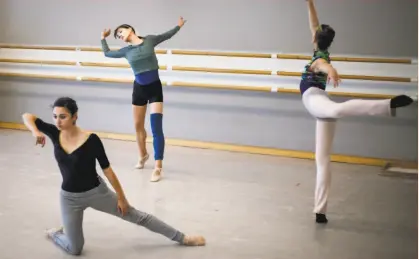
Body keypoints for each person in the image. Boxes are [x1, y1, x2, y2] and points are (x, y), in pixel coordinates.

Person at [21, 97, 205, 256]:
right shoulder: (55, 133)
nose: (58, 121)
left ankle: (183, 238)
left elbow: (108, 171)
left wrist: (122, 199)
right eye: (55, 116)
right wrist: (35, 131)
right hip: (69, 198)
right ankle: (56, 234)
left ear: (75, 116)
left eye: (63, 116)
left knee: (138, 216)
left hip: (96, 193)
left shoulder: (91, 140)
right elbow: (27, 116)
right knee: (75, 249)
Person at [300, 0, 414, 224]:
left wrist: (331, 70)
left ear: (315, 39)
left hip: (314, 99)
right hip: (321, 102)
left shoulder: (318, 58)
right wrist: (310, 2)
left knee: (339, 110)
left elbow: (323, 65)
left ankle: (385, 105)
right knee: (323, 159)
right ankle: (320, 211)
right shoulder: (320, 50)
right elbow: (314, 25)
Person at [100, 17, 186, 182]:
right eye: (117, 36)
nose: (119, 35)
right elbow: (107, 53)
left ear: (130, 29)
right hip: (139, 90)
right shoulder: (126, 51)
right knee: (138, 126)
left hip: (155, 89)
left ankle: (158, 166)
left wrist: (178, 26)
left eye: (120, 32)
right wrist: (103, 38)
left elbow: (166, 35)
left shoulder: (149, 40)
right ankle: (143, 155)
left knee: (156, 128)